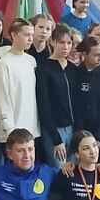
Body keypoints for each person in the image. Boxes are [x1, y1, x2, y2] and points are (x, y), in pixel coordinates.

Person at [37, 24, 83, 166]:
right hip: (54, 128)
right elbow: (43, 105)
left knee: (74, 169)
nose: (66, 47)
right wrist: (56, 139)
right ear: (52, 42)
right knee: (59, 170)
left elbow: (77, 102)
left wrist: (79, 130)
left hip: (73, 128)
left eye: (69, 43)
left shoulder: (73, 68)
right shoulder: (44, 68)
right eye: (61, 42)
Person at [0, 18, 42, 153]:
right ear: (14, 35)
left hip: (31, 127)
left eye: (32, 35)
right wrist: (9, 129)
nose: (30, 39)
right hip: (14, 129)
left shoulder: (31, 60)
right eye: (26, 35)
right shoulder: (4, 64)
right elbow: (2, 99)